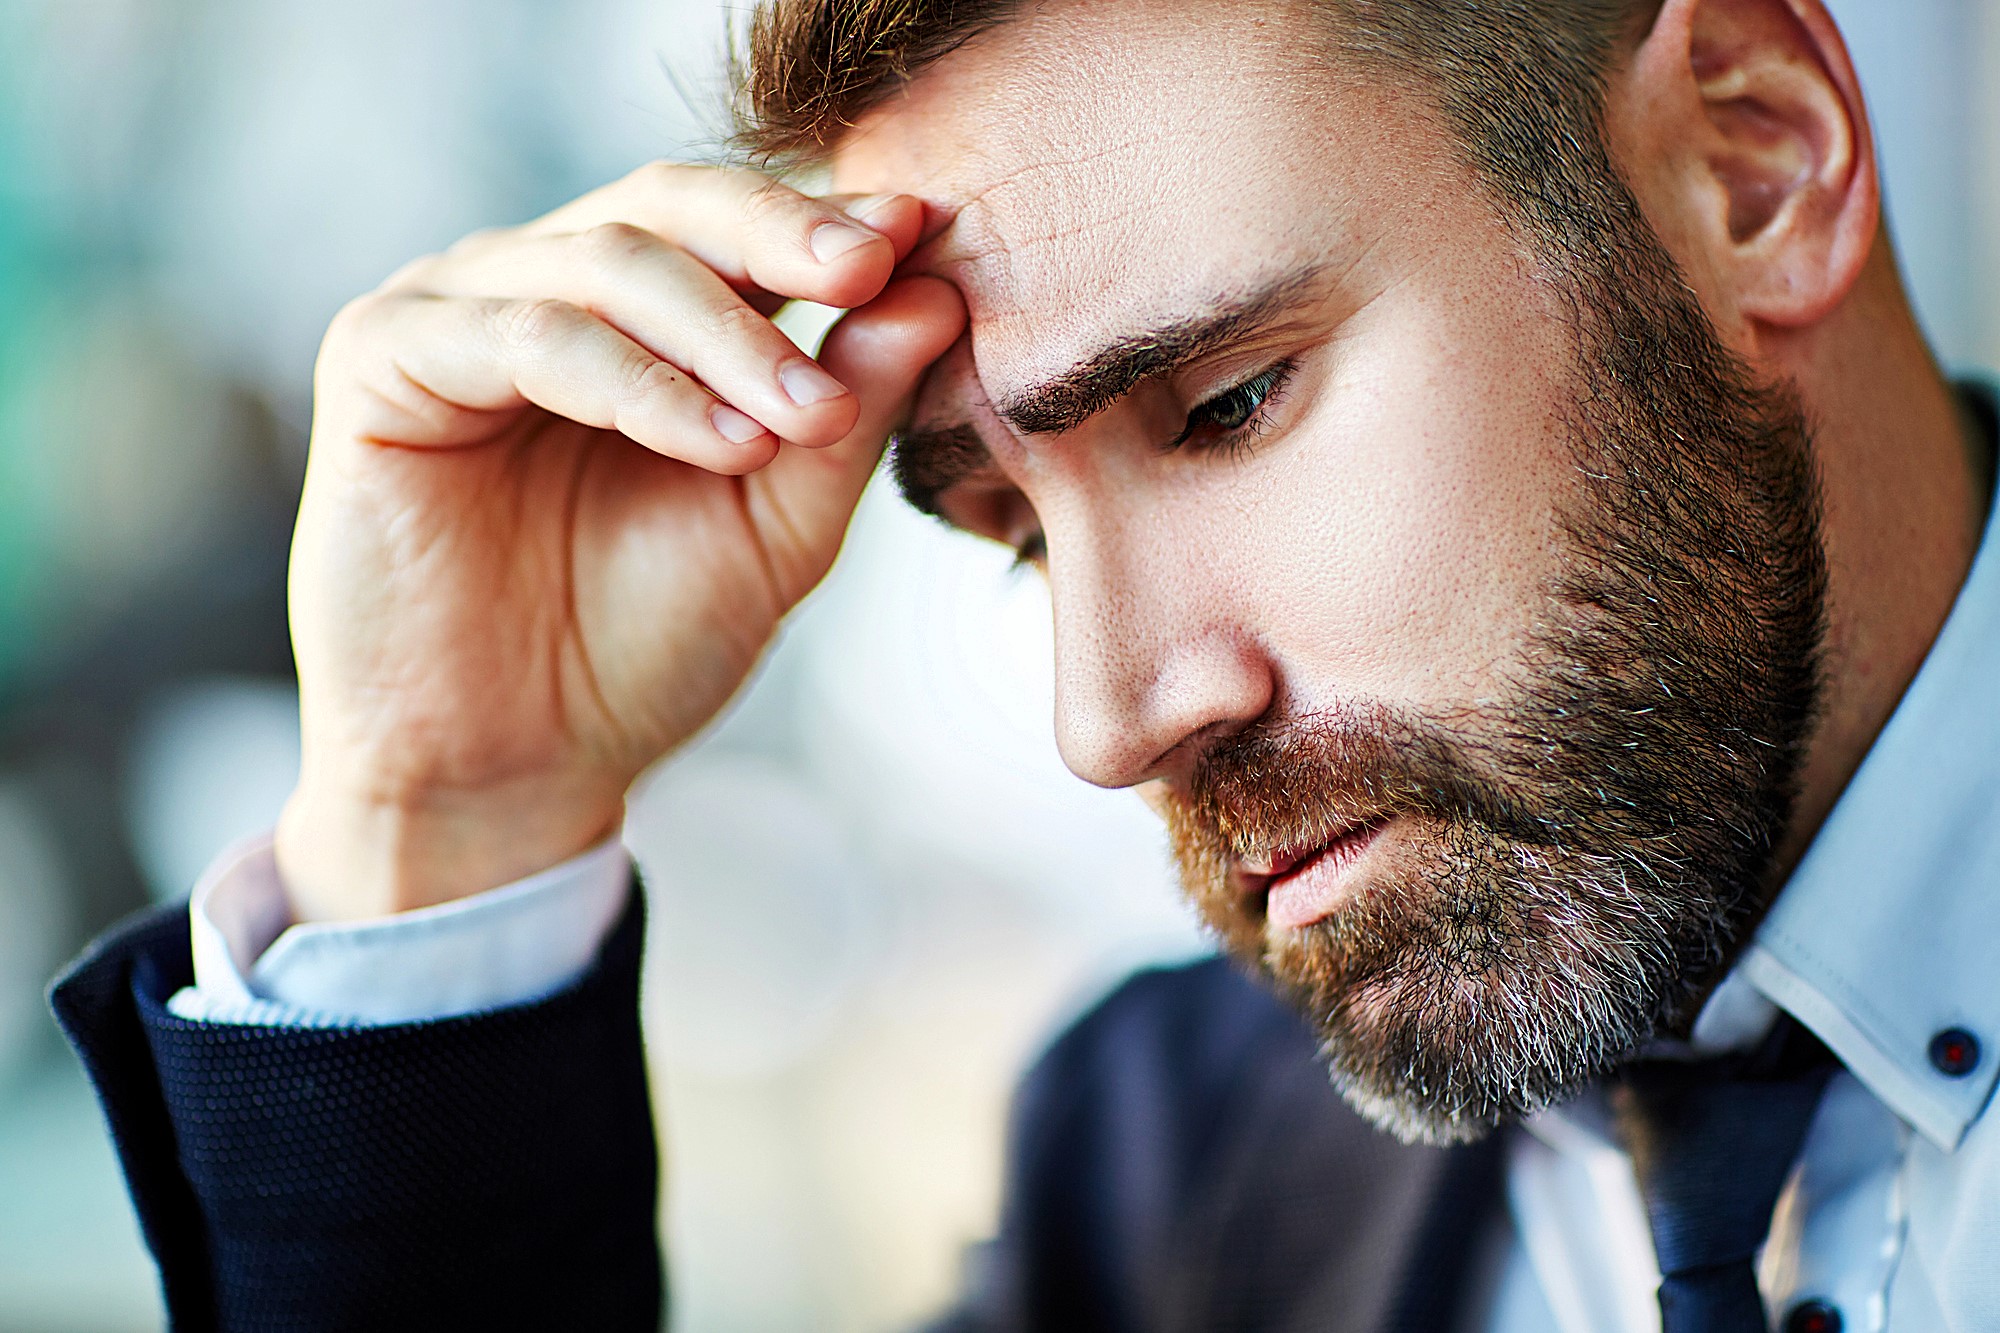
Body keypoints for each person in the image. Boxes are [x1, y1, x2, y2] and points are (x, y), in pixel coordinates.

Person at [49, 0, 2000, 1328]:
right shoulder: (1155, 1167)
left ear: (1752, 162)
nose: (1111, 713)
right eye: (1006, 530)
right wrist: (445, 818)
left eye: (1228, 404)